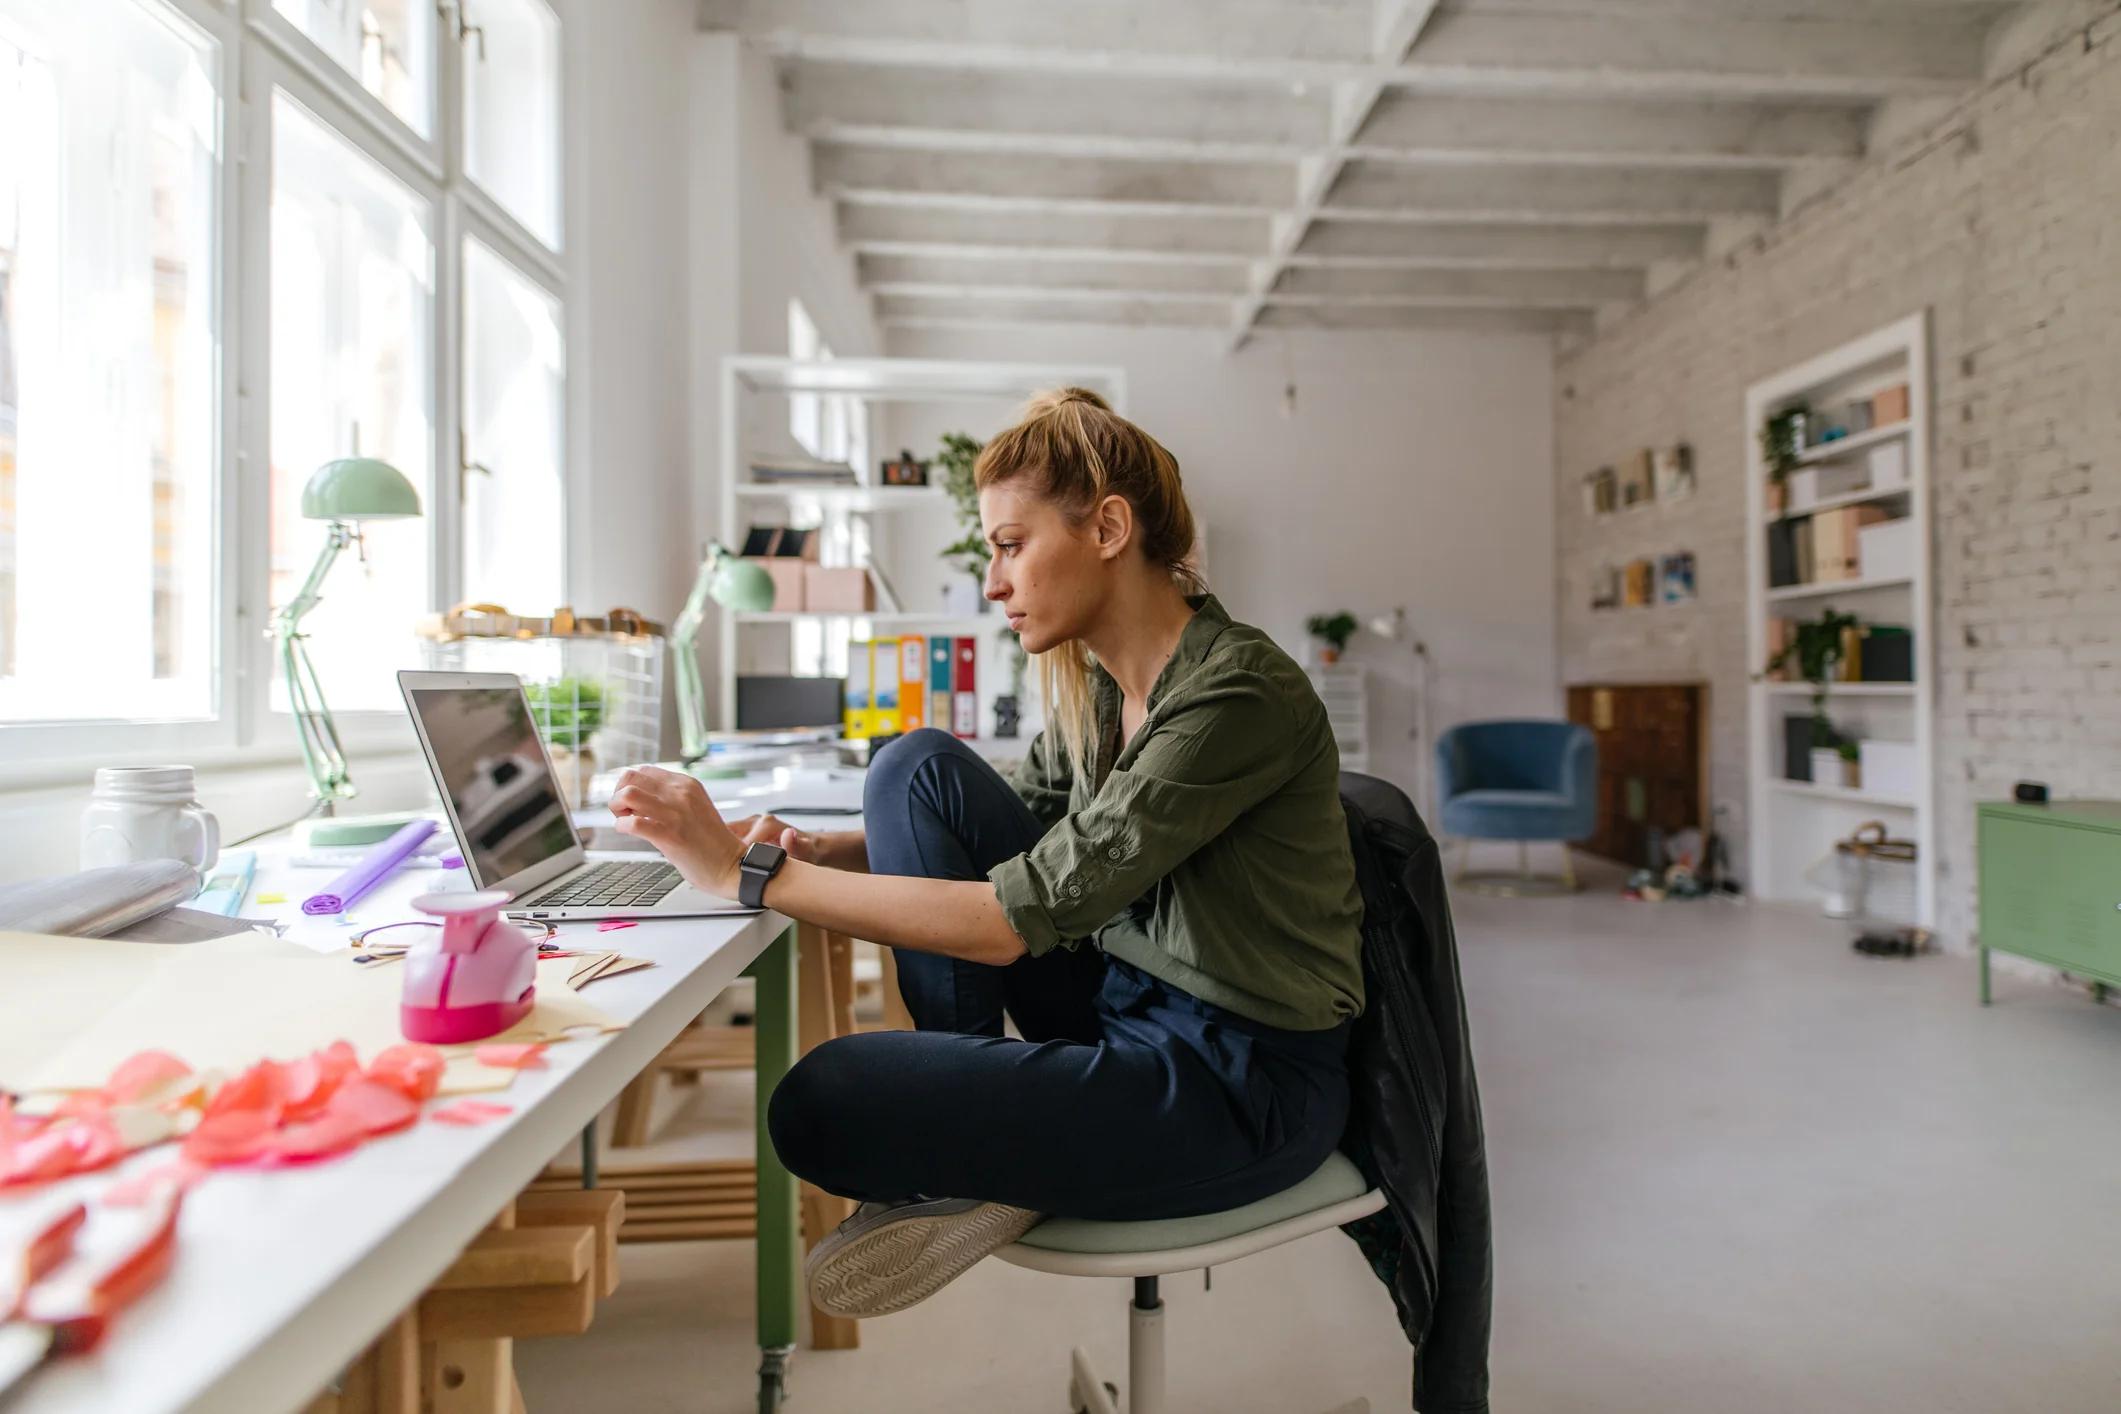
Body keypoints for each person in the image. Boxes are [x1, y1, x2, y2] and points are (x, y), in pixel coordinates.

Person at [607, 387, 1366, 1319]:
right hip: (1120, 1004)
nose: (994, 582)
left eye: (1009, 546)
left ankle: (987, 1145)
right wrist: (823, 851)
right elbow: (1037, 834)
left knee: (821, 1101)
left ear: (1108, 528)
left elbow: (1017, 916)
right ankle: (986, 1146)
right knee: (911, 766)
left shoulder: (1236, 693)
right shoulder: (1101, 685)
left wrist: (747, 874)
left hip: (1237, 1084)